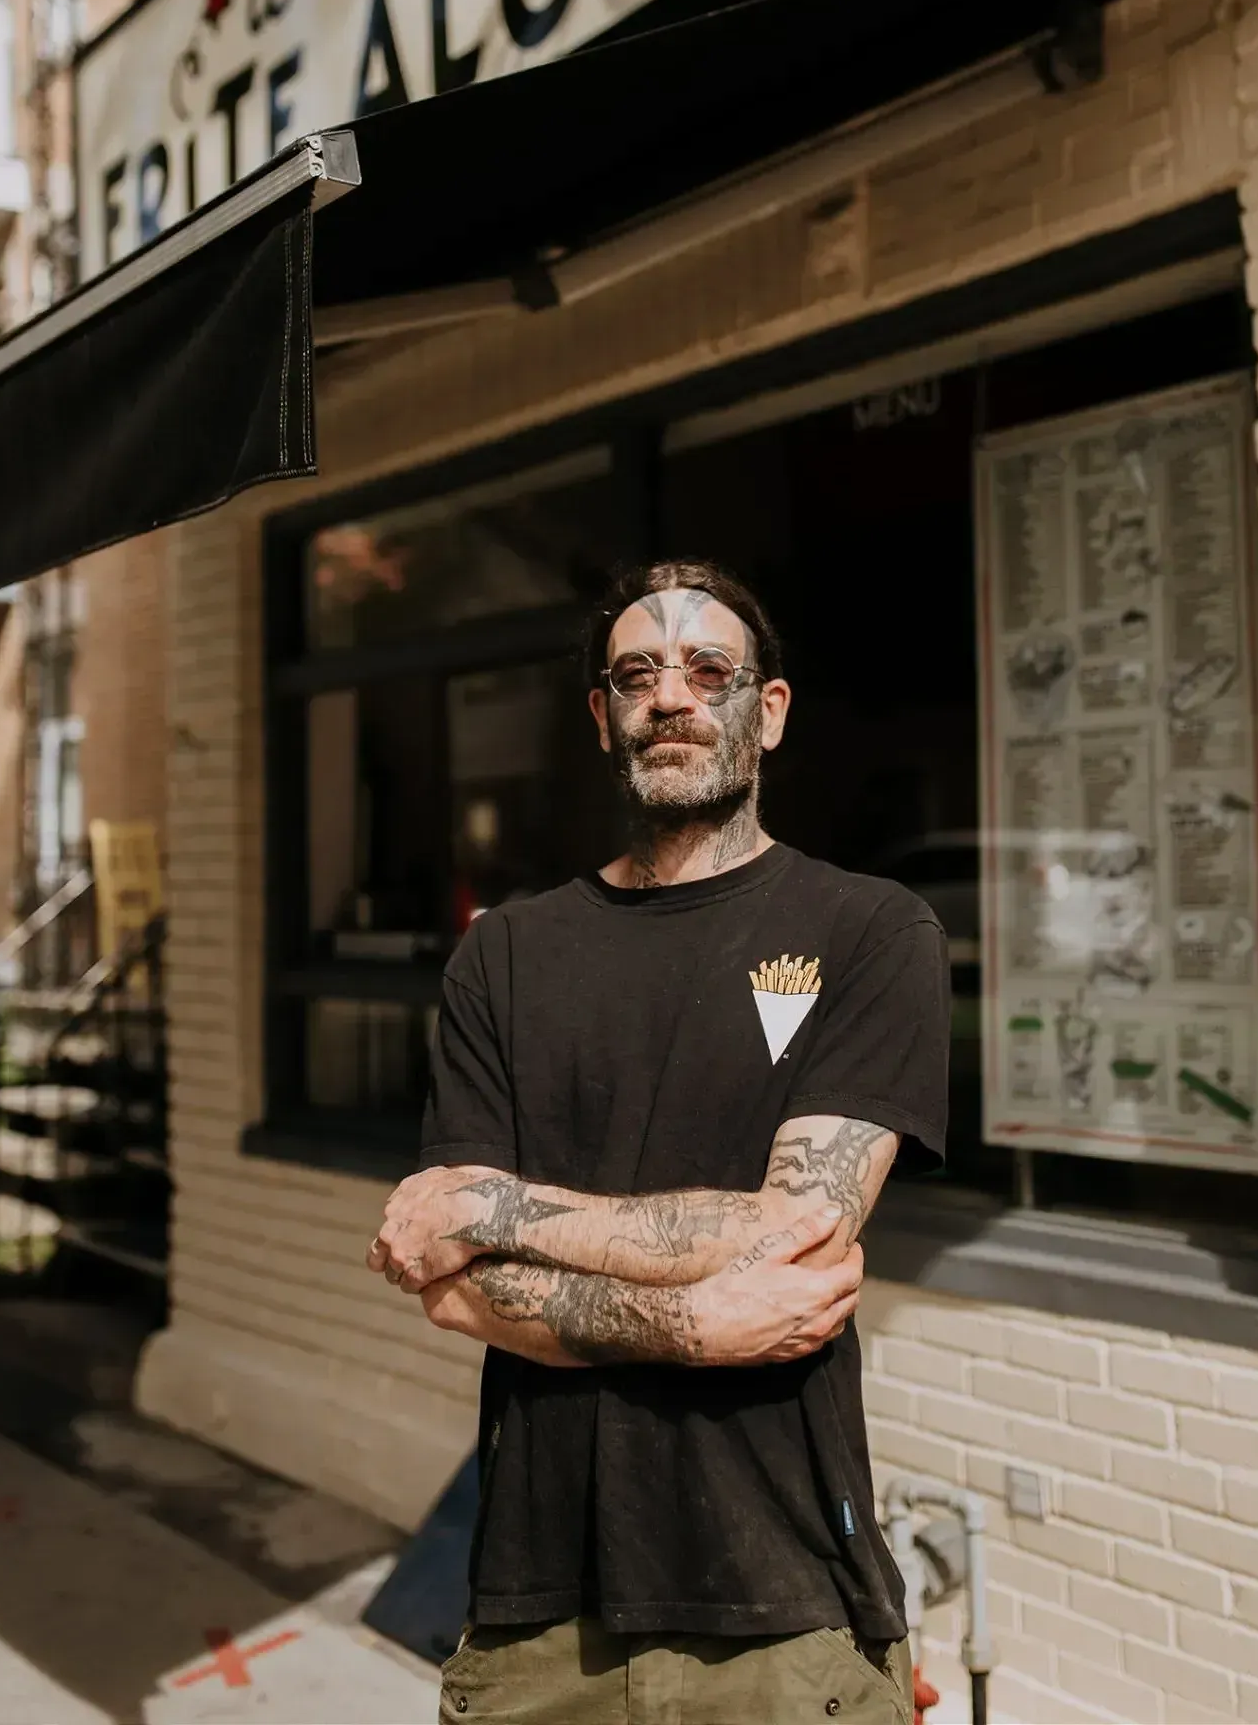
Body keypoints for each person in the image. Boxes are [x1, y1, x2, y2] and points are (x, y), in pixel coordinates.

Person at [368, 558, 950, 1724]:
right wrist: (690, 1320)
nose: (670, 693)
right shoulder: (504, 955)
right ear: (602, 715)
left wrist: (489, 1206)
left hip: (783, 1595)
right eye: (637, 673)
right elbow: (453, 1292)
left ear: (766, 711)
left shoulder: (868, 927)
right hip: (542, 1607)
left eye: (707, 669)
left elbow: (792, 1231)